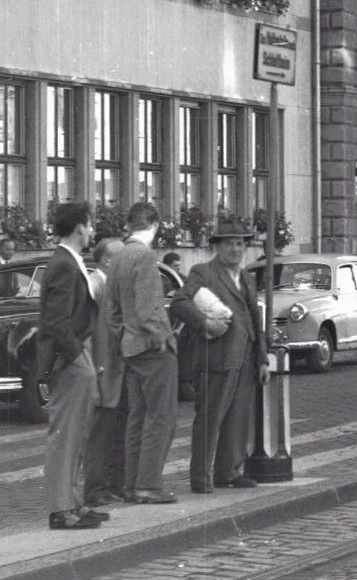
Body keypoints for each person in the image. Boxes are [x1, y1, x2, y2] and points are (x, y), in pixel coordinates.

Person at [169, 219, 265, 493]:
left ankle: (229, 473)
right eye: (229, 244)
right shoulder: (204, 272)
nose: (236, 249)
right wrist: (204, 323)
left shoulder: (246, 276)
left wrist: (262, 358)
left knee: (237, 418)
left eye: (240, 244)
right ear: (217, 247)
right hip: (217, 357)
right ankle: (200, 477)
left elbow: (254, 319)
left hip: (245, 357)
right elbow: (179, 302)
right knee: (210, 419)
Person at [36, 202, 106, 530]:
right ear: (80, 227)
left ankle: (73, 502)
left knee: (77, 432)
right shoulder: (64, 264)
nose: (92, 231)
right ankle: (61, 508)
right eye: (90, 226)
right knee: (65, 434)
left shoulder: (70, 262)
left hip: (76, 354)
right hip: (69, 359)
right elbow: (56, 321)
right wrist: (78, 357)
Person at [107, 201, 179, 504]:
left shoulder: (119, 256)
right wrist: (161, 337)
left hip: (130, 347)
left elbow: (112, 311)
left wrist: (125, 336)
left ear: (129, 225)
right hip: (151, 348)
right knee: (160, 417)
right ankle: (148, 484)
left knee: (137, 417)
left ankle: (131, 483)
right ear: (155, 226)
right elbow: (149, 307)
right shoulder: (146, 257)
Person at [84, 237, 129, 507]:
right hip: (103, 369)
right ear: (107, 260)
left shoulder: (113, 285)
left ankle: (114, 484)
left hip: (119, 369)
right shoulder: (95, 284)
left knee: (117, 430)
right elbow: (89, 334)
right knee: (100, 434)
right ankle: (95, 488)